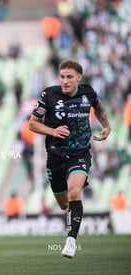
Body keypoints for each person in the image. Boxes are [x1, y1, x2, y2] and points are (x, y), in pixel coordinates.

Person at [29, 59, 111, 258]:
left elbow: (99, 108)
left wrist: (106, 126)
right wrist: (53, 131)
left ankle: (71, 241)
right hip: (55, 157)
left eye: (69, 77)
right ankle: (77, 180)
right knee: (63, 203)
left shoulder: (87, 93)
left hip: (80, 154)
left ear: (78, 78)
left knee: (75, 192)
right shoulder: (49, 95)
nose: (65, 81)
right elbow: (32, 124)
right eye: (62, 77)